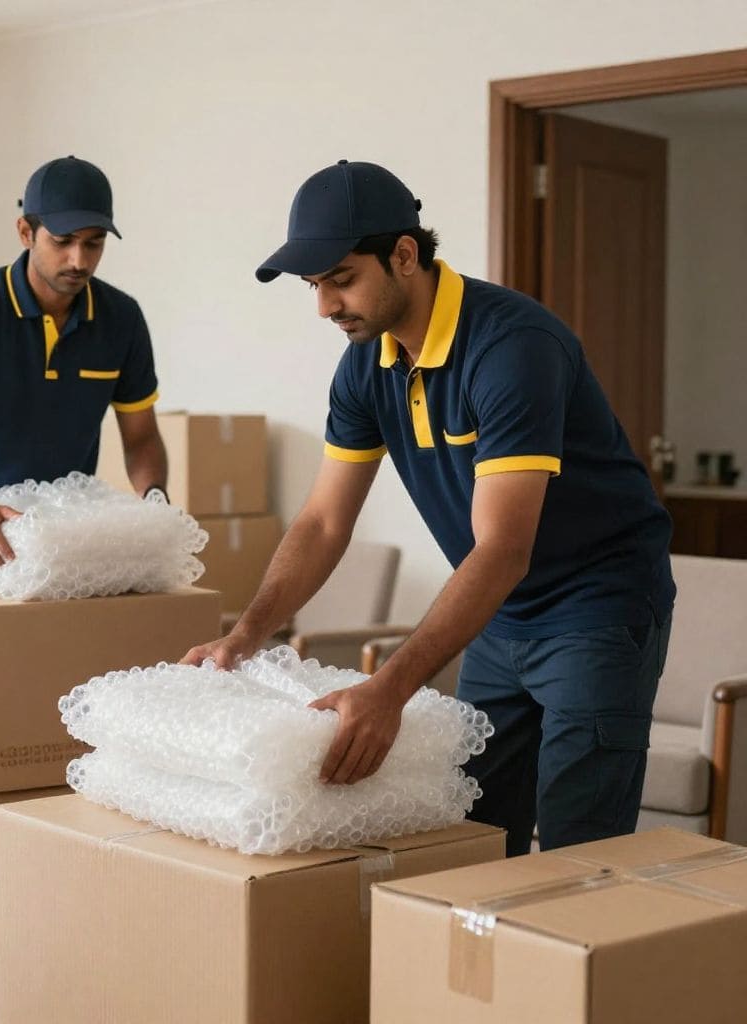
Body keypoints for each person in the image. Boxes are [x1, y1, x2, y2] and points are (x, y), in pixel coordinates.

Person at [183, 160, 674, 855]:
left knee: (578, 850)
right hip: (500, 613)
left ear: (405, 255)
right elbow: (323, 522)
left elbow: (503, 548)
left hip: (595, 607)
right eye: (314, 285)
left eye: (342, 278)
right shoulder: (366, 364)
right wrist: (246, 635)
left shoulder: (512, 349)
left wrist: (389, 690)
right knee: (472, 830)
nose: (325, 307)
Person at [0, 156, 167, 573]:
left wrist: (155, 503)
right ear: (26, 232)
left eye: (94, 243)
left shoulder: (122, 319)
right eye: (63, 241)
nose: (79, 260)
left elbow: (142, 438)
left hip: (56, 537)